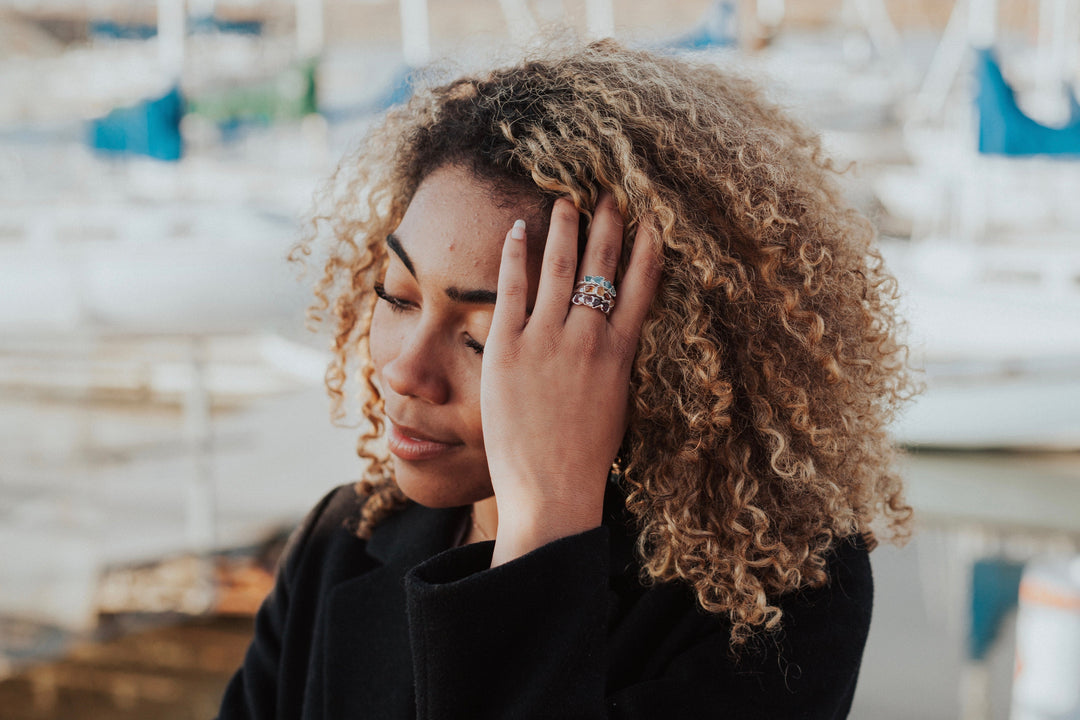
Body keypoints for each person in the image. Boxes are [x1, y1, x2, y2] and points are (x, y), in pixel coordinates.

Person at [217, 38, 916, 719]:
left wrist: (547, 516)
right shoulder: (336, 545)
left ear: (647, 361)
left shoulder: (775, 597)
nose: (405, 371)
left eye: (482, 339)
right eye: (396, 296)